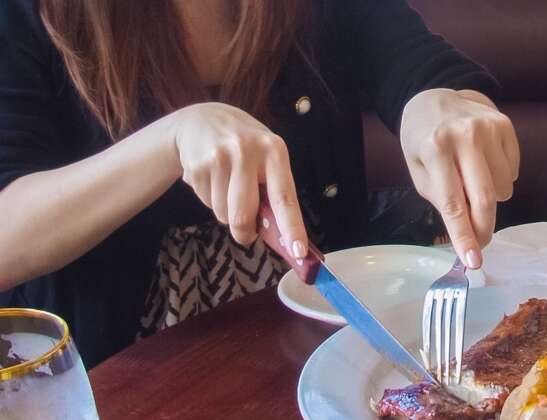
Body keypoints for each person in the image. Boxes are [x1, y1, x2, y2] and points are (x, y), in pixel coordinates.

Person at [0, 0, 520, 368]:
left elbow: (428, 71)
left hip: (329, 358)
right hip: (116, 390)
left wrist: (444, 105)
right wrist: (169, 142)